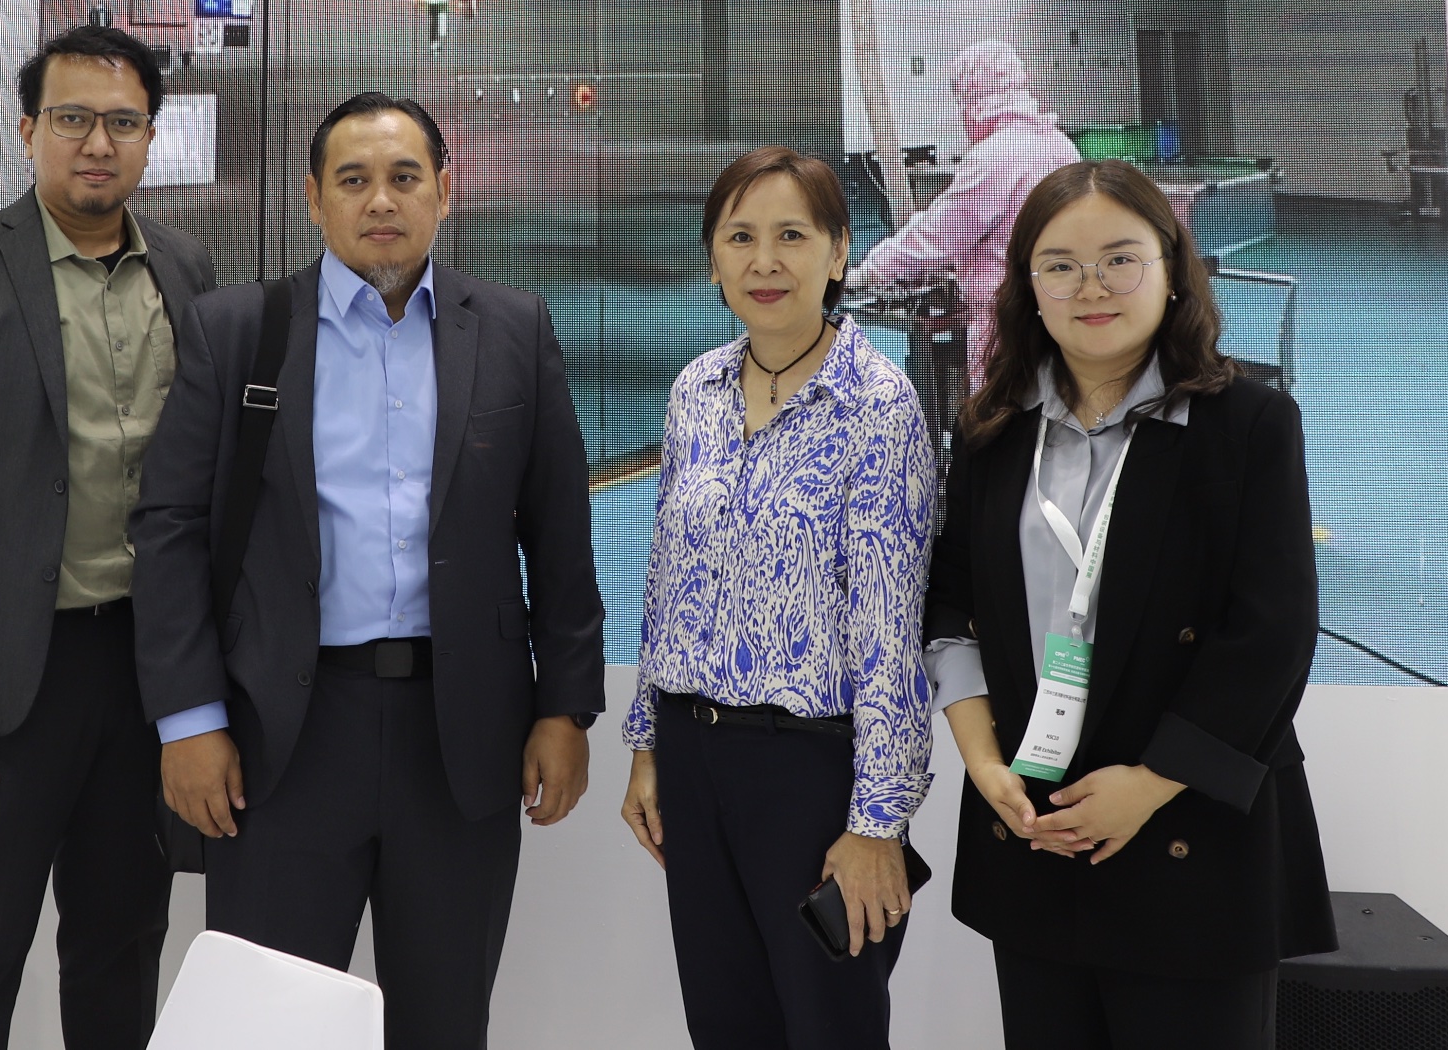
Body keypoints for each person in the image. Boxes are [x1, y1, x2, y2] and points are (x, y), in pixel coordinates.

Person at [133, 91, 606, 1050]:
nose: (380, 200)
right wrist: (188, 721)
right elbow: (171, 528)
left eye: (403, 177)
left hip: (460, 741)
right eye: (353, 179)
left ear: (444, 191)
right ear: (315, 199)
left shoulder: (511, 329)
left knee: (444, 1022)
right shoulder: (239, 330)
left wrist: (565, 710)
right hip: (283, 740)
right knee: (268, 1030)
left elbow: (559, 534)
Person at [925, 159, 1332, 1050]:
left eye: (1120, 258)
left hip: (1194, 834)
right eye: (1060, 265)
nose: (1091, 287)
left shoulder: (1250, 425)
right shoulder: (990, 432)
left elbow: (1271, 633)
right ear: (1029, 286)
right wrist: (985, 763)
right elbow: (949, 605)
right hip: (1036, 827)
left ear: (1173, 268)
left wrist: (1147, 786)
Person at [0, 25, 218, 1050]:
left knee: (124, 940)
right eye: (72, 119)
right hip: (7, 677)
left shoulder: (187, 267)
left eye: (122, 122)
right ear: (29, 131)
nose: (97, 143)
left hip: (146, 669)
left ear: (150, 137)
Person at [619, 146, 937, 1050]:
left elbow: (890, 634)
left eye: (792, 235)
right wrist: (646, 745)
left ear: (838, 252)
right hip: (692, 756)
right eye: (740, 237)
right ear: (713, 258)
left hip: (813, 775)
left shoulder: (879, 406)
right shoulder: (696, 390)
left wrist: (877, 824)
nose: (765, 261)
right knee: (725, 1024)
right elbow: (666, 584)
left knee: (829, 1027)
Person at [849, 40, 1079, 382]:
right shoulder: (1061, 146)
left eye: (961, 101)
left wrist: (866, 274)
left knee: (1002, 410)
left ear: (974, 96)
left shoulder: (998, 155)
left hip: (1009, 322)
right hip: (1065, 316)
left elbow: (939, 237)